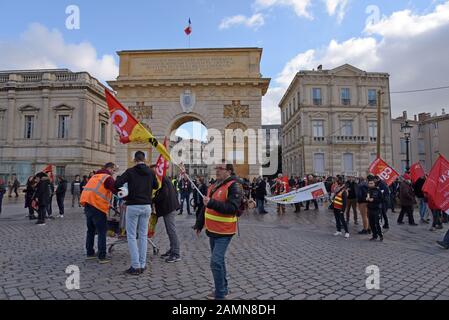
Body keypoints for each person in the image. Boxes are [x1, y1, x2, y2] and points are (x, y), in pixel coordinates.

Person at [193, 162, 243, 300]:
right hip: (212, 230)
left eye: (220, 169)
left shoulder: (235, 185)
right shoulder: (213, 185)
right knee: (219, 261)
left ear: (229, 171)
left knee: (215, 261)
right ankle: (223, 289)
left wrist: (211, 203)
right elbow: (205, 207)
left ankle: (220, 294)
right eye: (216, 168)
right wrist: (199, 224)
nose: (217, 171)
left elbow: (232, 208)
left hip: (225, 231)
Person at [115, 152, 158, 275]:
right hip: (146, 206)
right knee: (143, 236)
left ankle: (135, 265)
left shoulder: (130, 171)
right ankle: (143, 264)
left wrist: (124, 188)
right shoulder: (151, 172)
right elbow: (155, 185)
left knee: (132, 236)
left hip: (133, 206)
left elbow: (117, 183)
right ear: (144, 159)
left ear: (134, 159)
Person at [80, 162, 117, 264]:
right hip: (98, 206)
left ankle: (90, 253)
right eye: (113, 170)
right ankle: (102, 256)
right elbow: (116, 190)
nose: (113, 173)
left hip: (88, 205)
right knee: (101, 231)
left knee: (90, 230)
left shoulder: (95, 176)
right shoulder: (107, 177)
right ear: (109, 168)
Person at [153, 172, 181, 263]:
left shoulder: (162, 180)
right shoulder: (163, 179)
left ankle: (176, 253)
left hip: (169, 208)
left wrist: (152, 200)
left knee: (171, 230)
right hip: (169, 207)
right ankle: (172, 249)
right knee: (170, 230)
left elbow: (164, 194)